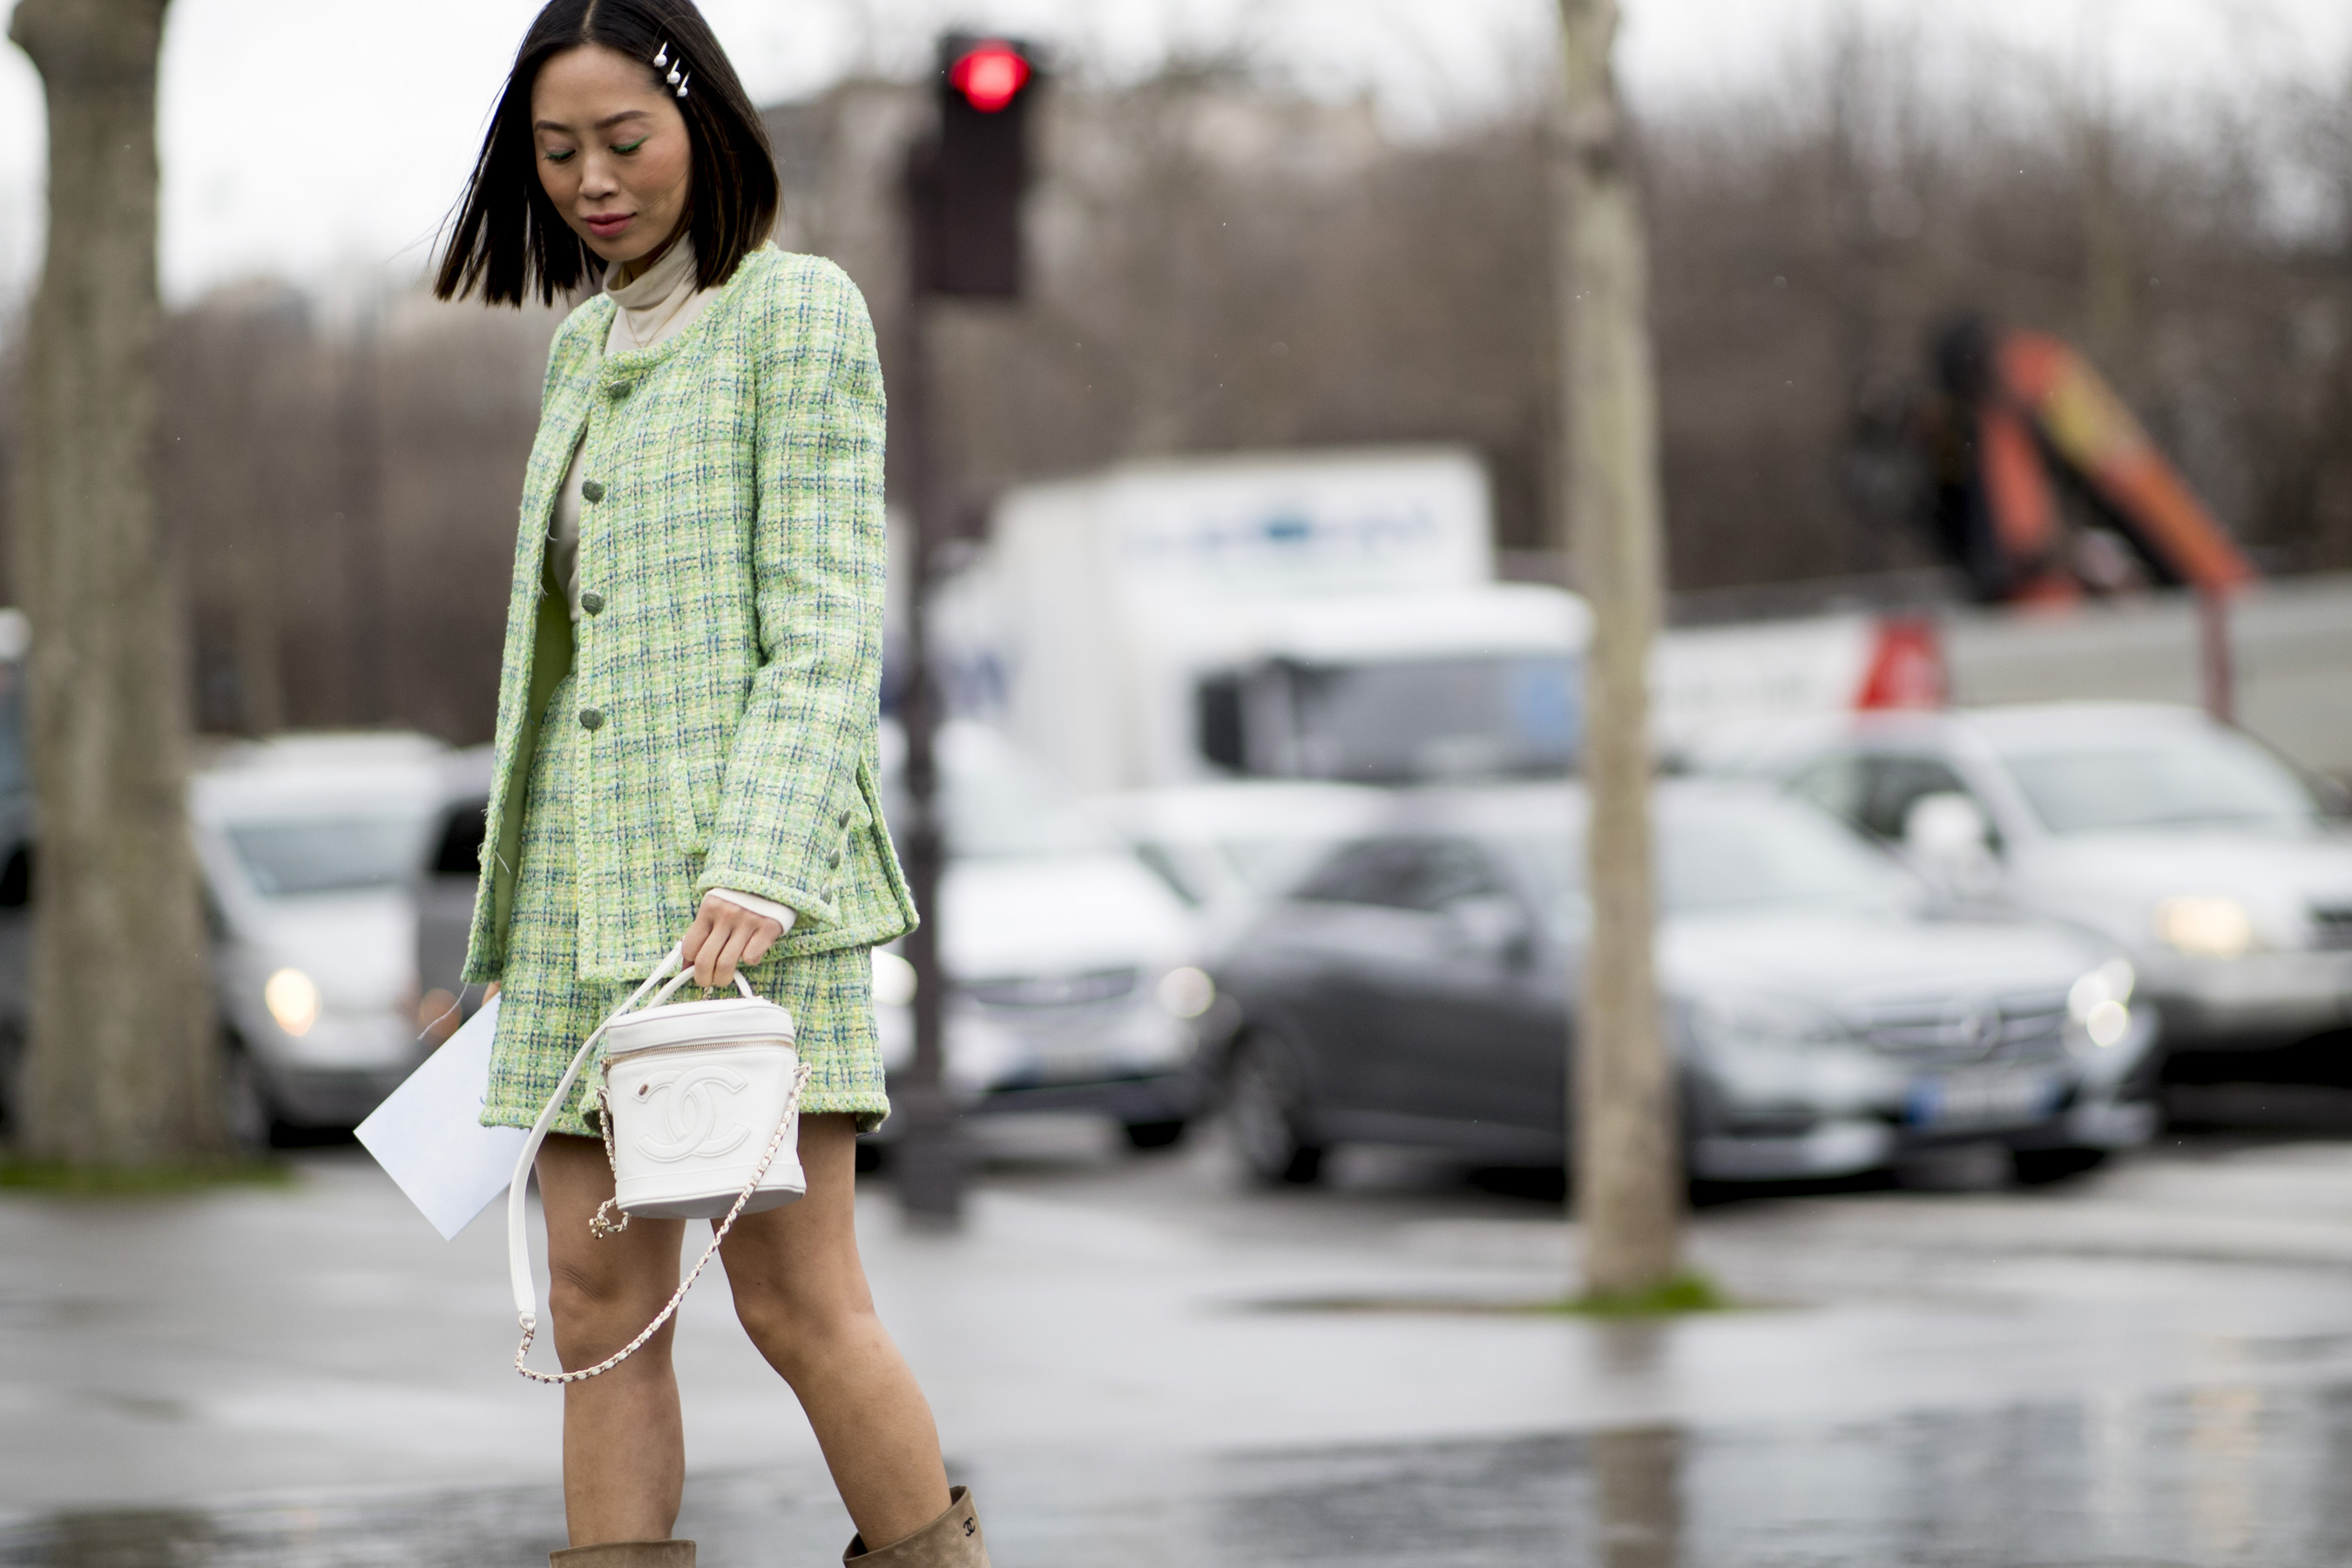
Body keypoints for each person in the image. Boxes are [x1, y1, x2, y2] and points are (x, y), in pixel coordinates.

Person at [435, 4, 982, 1564]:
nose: (592, 181)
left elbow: (824, 629)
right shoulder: (579, 348)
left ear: (706, 130)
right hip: (571, 915)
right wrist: (500, 934)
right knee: (600, 1311)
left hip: (750, 911)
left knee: (797, 1305)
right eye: (557, 154)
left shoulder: (793, 313)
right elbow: (571, 669)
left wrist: (756, 859)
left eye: (625, 142)